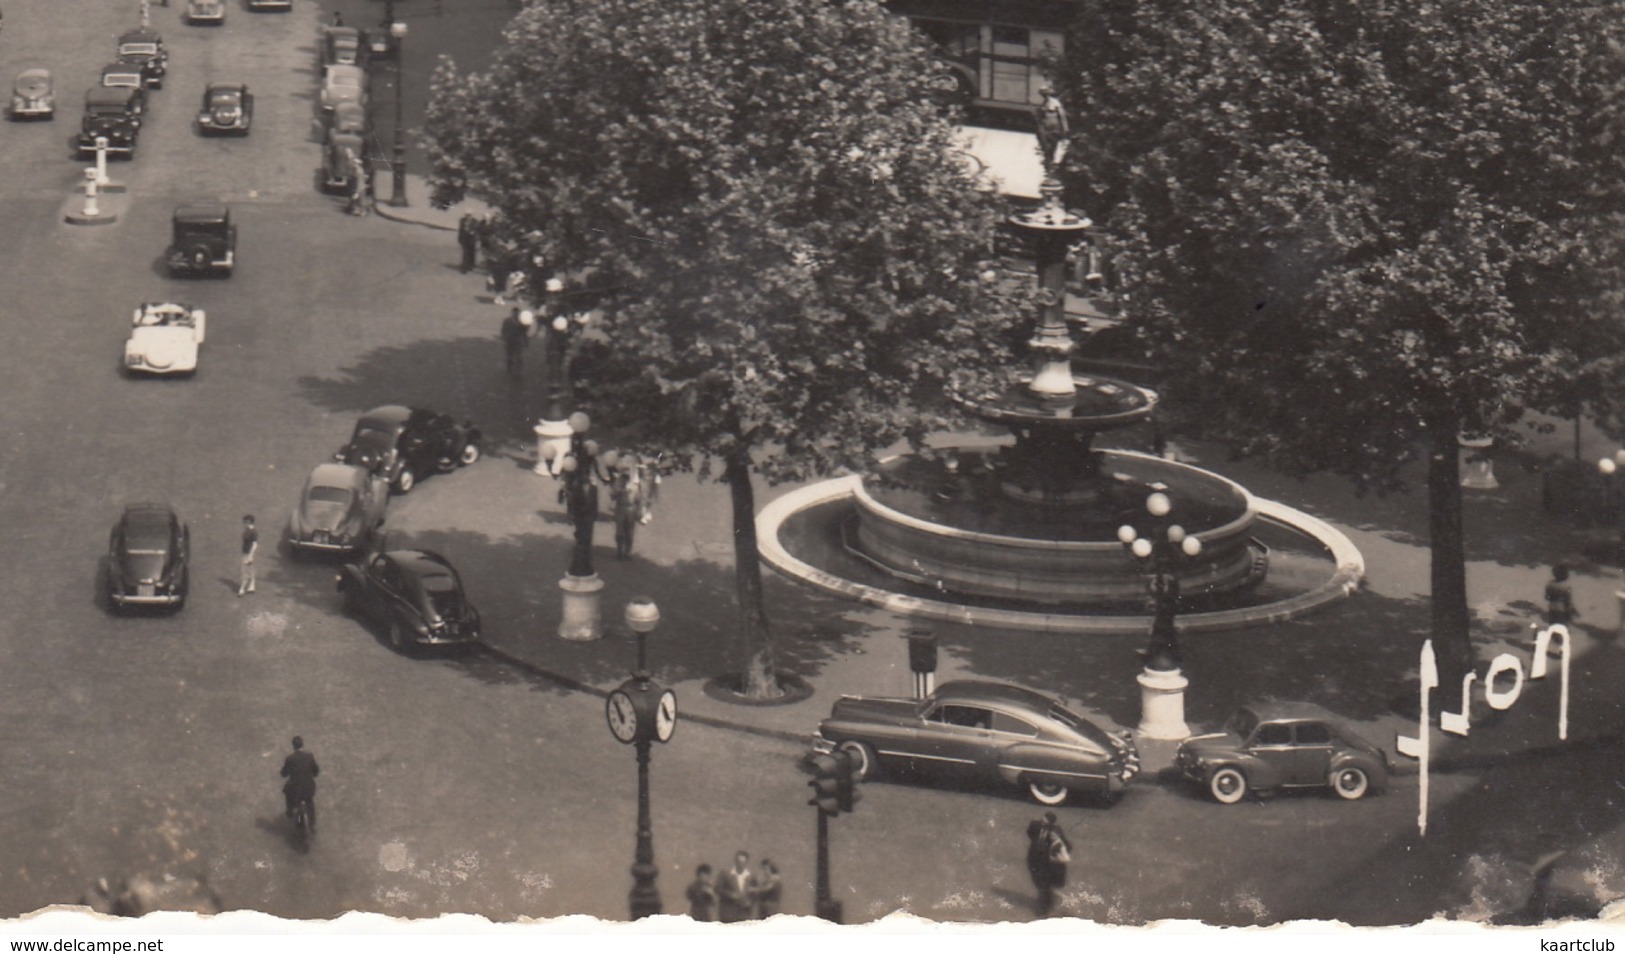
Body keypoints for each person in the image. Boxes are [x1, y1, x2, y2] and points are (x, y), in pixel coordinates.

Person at [280, 736, 320, 833]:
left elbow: (284, 774)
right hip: (309, 788)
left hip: (296, 789)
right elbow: (316, 772)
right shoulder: (310, 756)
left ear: (293, 746)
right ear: (302, 745)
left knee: (287, 791)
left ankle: (290, 811)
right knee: (309, 801)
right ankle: (312, 822)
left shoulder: (290, 759)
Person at [609, 458, 640, 559]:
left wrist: (638, 511)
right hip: (620, 509)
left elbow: (638, 499)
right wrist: (620, 491)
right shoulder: (618, 484)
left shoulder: (634, 485)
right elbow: (612, 495)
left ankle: (628, 552)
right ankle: (619, 551)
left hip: (631, 510)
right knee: (619, 532)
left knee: (630, 532)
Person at [716, 850, 753, 923]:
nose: (740, 864)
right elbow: (717, 889)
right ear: (735, 861)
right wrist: (730, 895)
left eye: (743, 862)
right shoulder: (725, 874)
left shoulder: (750, 876)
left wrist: (750, 901)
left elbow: (755, 893)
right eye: (738, 861)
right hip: (728, 913)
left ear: (746, 863)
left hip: (744, 914)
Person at [500, 308, 531, 376]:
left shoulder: (522, 322)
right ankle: (510, 368)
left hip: (518, 341)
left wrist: (526, 341)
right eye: (514, 313)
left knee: (519, 356)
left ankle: (518, 370)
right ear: (512, 313)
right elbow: (503, 330)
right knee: (509, 356)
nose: (515, 314)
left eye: (517, 313)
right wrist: (504, 339)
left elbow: (524, 332)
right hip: (509, 340)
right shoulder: (507, 321)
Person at [238, 514, 258, 596]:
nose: (244, 524)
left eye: (245, 522)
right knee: (250, 569)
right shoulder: (248, 530)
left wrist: (250, 556)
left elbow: (255, 544)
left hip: (248, 553)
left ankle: (242, 589)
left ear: (249, 522)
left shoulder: (253, 532)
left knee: (244, 571)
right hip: (247, 552)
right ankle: (252, 586)